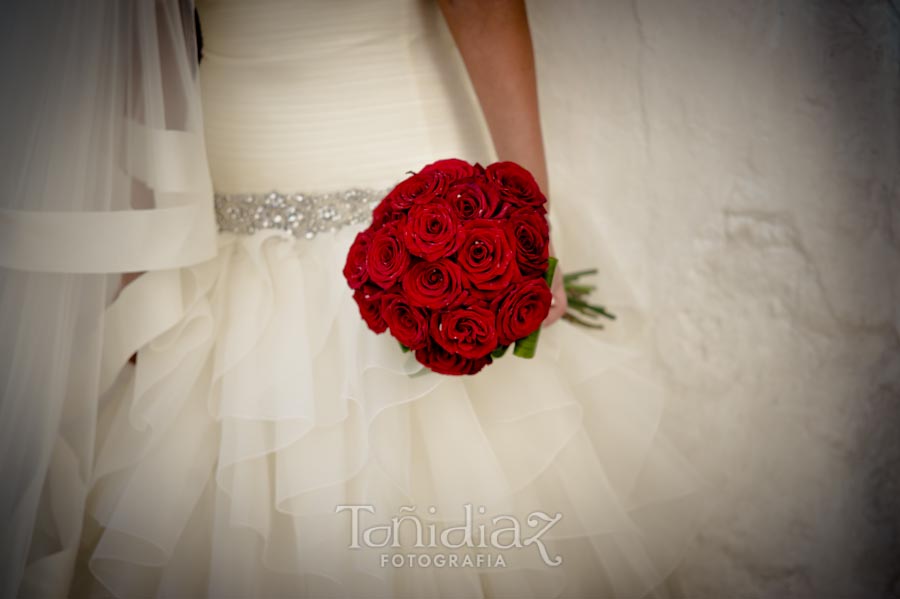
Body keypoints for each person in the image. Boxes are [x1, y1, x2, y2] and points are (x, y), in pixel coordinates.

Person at [1, 1, 703, 597]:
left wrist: (522, 226)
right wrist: (139, 277)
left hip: (420, 222)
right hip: (226, 254)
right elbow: (138, 65)